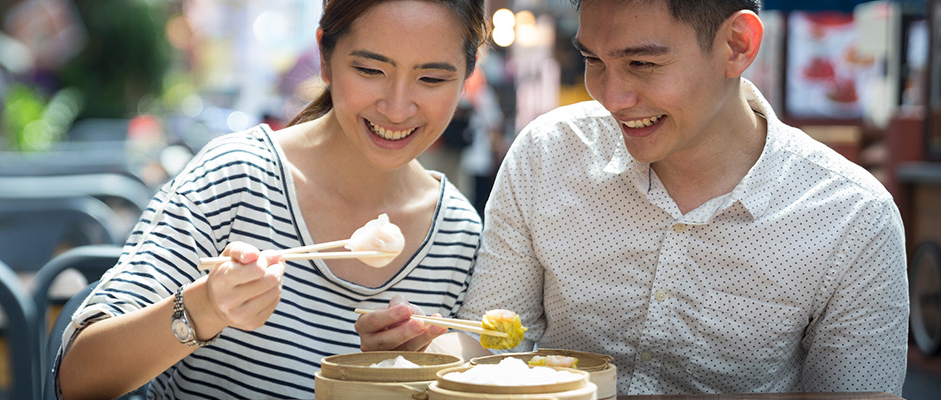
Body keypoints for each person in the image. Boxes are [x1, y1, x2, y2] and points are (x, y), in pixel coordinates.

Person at [358, 0, 909, 395]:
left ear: (737, 45)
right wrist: (423, 357)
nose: (612, 96)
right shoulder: (547, 155)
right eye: (593, 59)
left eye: (642, 64)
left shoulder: (852, 217)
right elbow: (493, 341)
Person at [54, 0, 486, 398]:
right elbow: (77, 377)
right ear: (325, 58)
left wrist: (409, 372)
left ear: (467, 76)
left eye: (431, 78)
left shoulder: (459, 234)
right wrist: (205, 309)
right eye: (371, 71)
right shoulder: (237, 177)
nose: (396, 108)